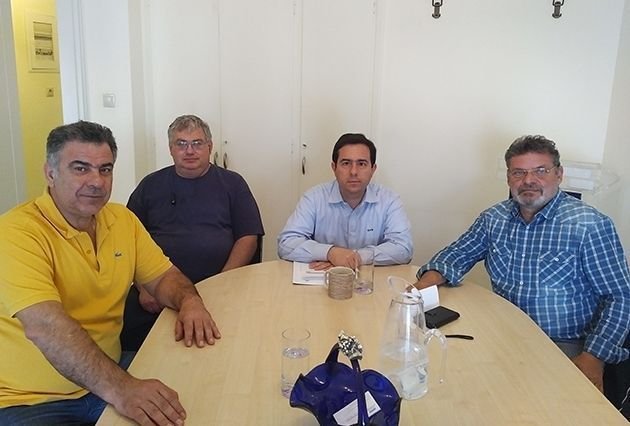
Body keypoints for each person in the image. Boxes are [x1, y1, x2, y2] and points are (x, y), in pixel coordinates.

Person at [0, 120, 221, 425]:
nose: (96, 181)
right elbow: (46, 327)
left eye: (105, 169)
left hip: (109, 375)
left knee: (208, 391)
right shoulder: (15, 232)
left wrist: (190, 302)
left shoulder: (121, 219)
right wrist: (122, 389)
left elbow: (163, 277)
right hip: (32, 399)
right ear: (50, 173)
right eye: (80, 168)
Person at [413, 135, 630, 392]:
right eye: (519, 172)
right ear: (508, 178)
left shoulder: (589, 225)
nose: (528, 180)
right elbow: (456, 254)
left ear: (559, 174)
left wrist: (594, 358)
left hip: (563, 343)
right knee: (440, 375)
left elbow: (620, 297)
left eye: (540, 171)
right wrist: (423, 286)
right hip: (501, 333)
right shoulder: (494, 218)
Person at [121, 114, 264, 350]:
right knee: (143, 348)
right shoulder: (150, 185)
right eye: (181, 144)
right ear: (170, 149)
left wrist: (223, 282)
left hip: (219, 287)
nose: (190, 151)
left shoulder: (233, 184)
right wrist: (143, 287)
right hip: (157, 292)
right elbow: (127, 239)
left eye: (197, 143)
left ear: (209, 147)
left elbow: (248, 237)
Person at [278, 133, 413, 269]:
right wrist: (330, 253)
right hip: (324, 278)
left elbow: (403, 248)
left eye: (361, 164)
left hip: (370, 279)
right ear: (334, 167)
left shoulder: (389, 200)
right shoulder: (314, 198)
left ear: (373, 169)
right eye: (346, 163)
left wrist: (356, 257)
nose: (353, 172)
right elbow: (286, 244)